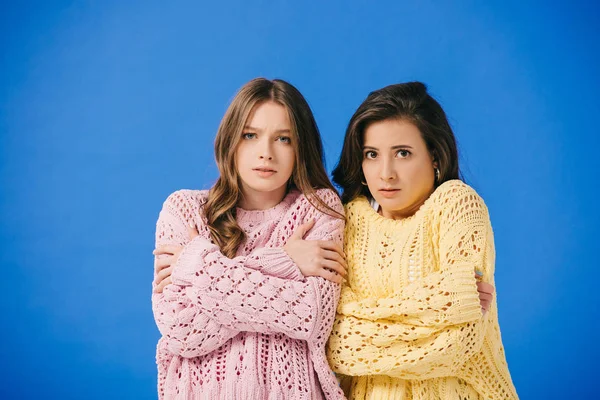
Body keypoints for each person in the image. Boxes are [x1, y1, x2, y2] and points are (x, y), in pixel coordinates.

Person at [151, 78, 347, 399]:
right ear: (231, 140)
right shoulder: (185, 210)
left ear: (301, 148)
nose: (265, 153)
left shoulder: (317, 209)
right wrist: (284, 262)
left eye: (283, 139)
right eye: (250, 135)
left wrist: (198, 265)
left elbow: (310, 314)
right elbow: (182, 329)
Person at [326, 82, 518, 399]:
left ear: (435, 156)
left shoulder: (457, 205)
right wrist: (444, 301)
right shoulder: (348, 221)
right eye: (371, 155)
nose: (385, 173)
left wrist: (361, 320)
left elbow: (460, 343)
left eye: (403, 153)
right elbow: (331, 341)